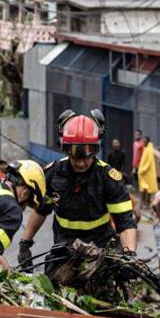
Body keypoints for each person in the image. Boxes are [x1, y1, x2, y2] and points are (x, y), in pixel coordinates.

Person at [18, 113, 137, 274]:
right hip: (64, 250)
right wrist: (25, 244)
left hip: (101, 249)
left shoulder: (108, 178)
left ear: (95, 150)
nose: (81, 163)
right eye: (76, 158)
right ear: (66, 150)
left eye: (86, 158)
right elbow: (41, 210)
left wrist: (129, 256)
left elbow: (125, 222)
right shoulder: (53, 174)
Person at [135, 129, 159, 209]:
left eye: (145, 141)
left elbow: (149, 162)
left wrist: (142, 170)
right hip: (144, 174)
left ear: (148, 142)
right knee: (143, 189)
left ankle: (145, 204)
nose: (143, 143)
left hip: (147, 173)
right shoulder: (145, 148)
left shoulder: (149, 149)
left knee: (147, 189)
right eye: (143, 141)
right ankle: (143, 204)